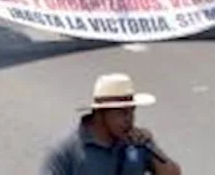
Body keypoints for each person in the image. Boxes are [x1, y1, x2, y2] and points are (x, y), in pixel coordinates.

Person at [41, 73, 181, 175]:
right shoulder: (65, 150)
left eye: (132, 112)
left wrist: (151, 147)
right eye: (122, 113)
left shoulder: (137, 143)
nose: (129, 119)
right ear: (100, 114)